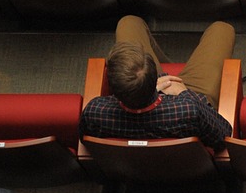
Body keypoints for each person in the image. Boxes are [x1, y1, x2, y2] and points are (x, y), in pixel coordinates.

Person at [80, 16, 235, 148]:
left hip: (131, 168)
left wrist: (145, 88)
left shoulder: (94, 111)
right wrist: (184, 93)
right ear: (154, 75)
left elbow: (87, 142)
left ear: (111, 85)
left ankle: (170, 63)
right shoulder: (190, 109)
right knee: (222, 29)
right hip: (185, 94)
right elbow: (225, 134)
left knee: (129, 22)